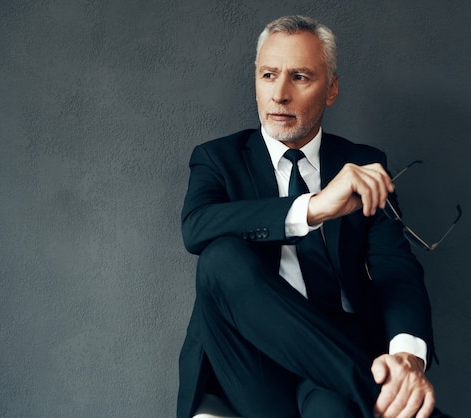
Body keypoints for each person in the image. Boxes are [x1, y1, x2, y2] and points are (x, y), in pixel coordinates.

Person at [177, 15, 448, 418]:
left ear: (332, 88)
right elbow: (196, 227)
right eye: (269, 75)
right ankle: (377, 398)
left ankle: (365, 391)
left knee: (334, 410)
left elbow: (396, 270)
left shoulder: (364, 165)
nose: (280, 94)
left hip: (335, 362)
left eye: (300, 77)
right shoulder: (218, 159)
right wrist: (315, 207)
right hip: (250, 365)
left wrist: (408, 357)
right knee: (220, 259)